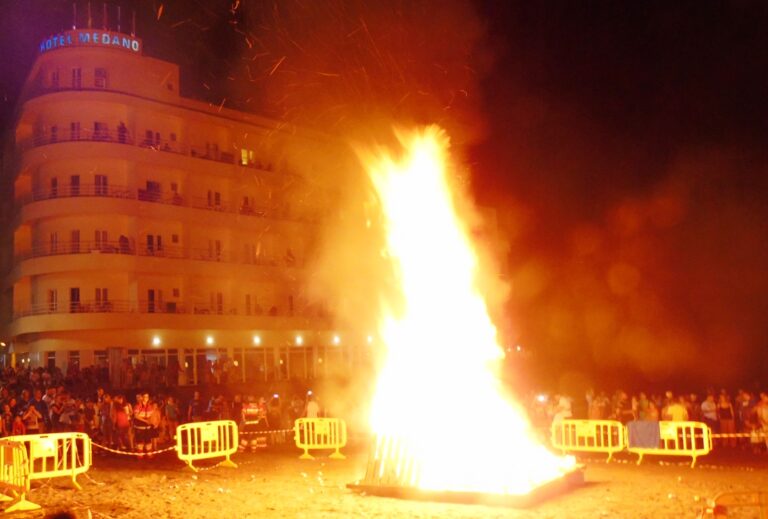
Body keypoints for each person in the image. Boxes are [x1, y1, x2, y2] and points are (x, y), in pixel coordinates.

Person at [133, 392, 155, 458]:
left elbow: (152, 415)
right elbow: (136, 416)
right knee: (139, 441)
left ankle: (149, 454)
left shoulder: (150, 406)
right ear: (142, 397)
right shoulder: (138, 406)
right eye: (145, 397)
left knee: (148, 440)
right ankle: (140, 454)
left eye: (147, 397)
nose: (146, 398)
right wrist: (145, 421)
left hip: (147, 427)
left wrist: (153, 422)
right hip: (139, 427)